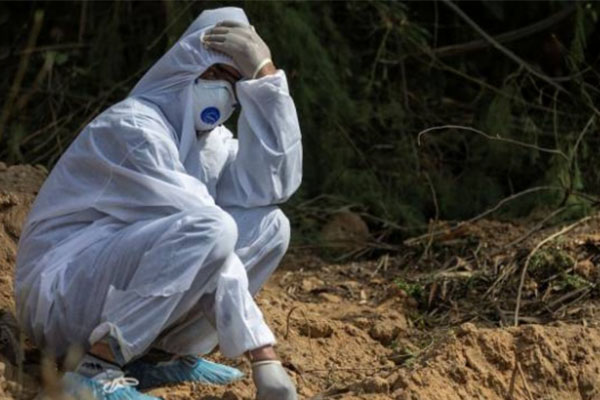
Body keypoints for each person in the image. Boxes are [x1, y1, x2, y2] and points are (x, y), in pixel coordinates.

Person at [15, 7, 301, 400]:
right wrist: (262, 354)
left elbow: (274, 183)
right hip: (61, 297)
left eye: (236, 82)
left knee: (272, 226)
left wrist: (266, 79)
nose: (225, 91)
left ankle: (161, 356)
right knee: (212, 228)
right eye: (216, 74)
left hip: (103, 290)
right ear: (187, 65)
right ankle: (94, 369)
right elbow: (206, 231)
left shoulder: (211, 145)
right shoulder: (133, 127)